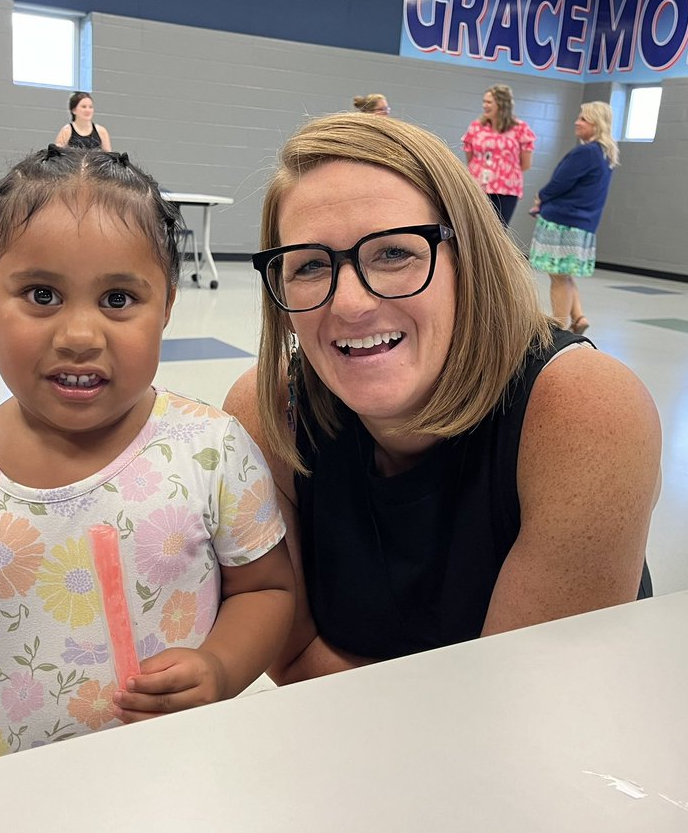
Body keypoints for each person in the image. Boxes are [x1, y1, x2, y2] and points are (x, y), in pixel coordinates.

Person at [0, 146, 294, 783]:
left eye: (119, 300)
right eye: (42, 294)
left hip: (177, 780)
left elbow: (265, 589)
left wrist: (220, 667)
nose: (79, 334)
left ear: (168, 307)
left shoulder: (213, 450)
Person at [223, 112, 659, 685]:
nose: (350, 304)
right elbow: (294, 654)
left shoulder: (584, 410)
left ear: (468, 259)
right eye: (309, 265)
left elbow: (524, 698)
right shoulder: (269, 414)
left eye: (394, 254)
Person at [528, 102, 619, 335]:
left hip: (562, 222)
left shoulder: (585, 152)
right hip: (583, 224)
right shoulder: (605, 153)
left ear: (597, 125)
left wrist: (541, 197)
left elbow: (560, 182)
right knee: (564, 272)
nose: (577, 122)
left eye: (584, 119)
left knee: (558, 276)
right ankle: (578, 316)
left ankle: (557, 328)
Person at [460, 84, 536, 227]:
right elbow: (470, 157)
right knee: (473, 228)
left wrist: (502, 170)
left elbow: (525, 164)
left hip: (506, 190)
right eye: (484, 102)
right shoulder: (476, 126)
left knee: (498, 230)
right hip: (478, 186)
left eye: (489, 102)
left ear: (502, 104)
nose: (484, 105)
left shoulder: (520, 129)